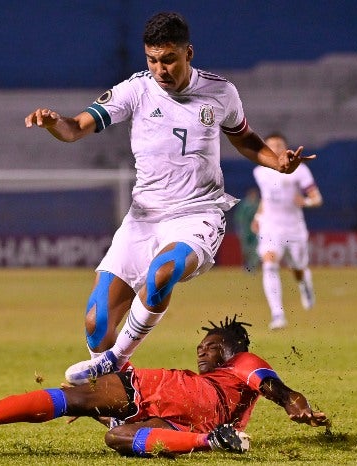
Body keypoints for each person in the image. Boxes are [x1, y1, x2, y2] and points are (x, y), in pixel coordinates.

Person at [24, 12, 315, 385]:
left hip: (198, 213)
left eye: (168, 59)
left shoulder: (220, 92)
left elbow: (243, 137)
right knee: (97, 322)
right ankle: (119, 403)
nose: (160, 69)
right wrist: (54, 123)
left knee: (163, 272)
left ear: (188, 53)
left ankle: (114, 360)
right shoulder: (136, 90)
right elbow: (77, 127)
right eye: (152, 60)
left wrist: (277, 161)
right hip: (144, 217)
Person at [0, 316, 328, 458]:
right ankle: (212, 443)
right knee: (117, 436)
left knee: (79, 397)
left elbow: (277, 387)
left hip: (177, 393)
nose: (202, 351)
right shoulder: (218, 376)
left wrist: (296, 405)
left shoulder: (242, 362)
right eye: (200, 346)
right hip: (192, 419)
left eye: (210, 346)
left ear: (231, 346)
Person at [251, 133, 323, 330]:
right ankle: (277, 315)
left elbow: (317, 197)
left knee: (298, 268)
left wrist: (306, 201)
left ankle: (304, 284)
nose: (275, 147)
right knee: (269, 262)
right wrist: (258, 217)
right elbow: (266, 198)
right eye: (271, 144)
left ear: (285, 147)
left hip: (294, 228)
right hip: (271, 227)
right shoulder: (260, 171)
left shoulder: (299, 170)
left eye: (279, 144)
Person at [233, 186, 260, 272]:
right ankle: (246, 265)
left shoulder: (258, 204)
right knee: (245, 249)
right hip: (245, 230)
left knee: (255, 249)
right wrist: (240, 229)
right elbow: (239, 218)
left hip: (256, 231)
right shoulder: (244, 204)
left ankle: (253, 266)